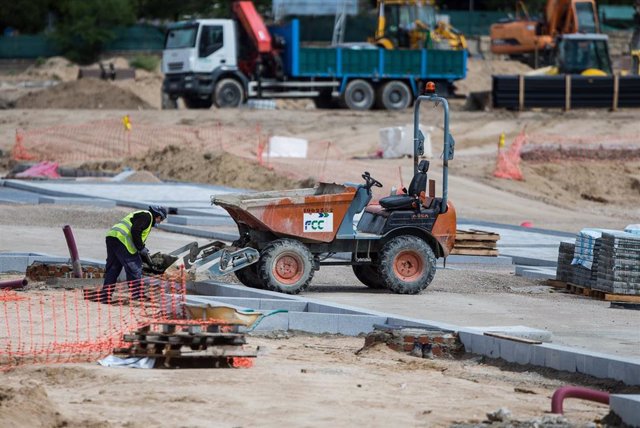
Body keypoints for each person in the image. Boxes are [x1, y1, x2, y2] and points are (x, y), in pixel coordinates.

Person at [98, 205, 168, 303]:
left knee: (113, 268)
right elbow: (136, 231)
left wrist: (141, 248)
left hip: (112, 237)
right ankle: (137, 295)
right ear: (159, 216)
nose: (159, 222)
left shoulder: (141, 214)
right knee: (134, 267)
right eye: (161, 220)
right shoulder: (147, 216)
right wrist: (141, 248)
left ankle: (105, 296)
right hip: (122, 240)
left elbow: (136, 233)